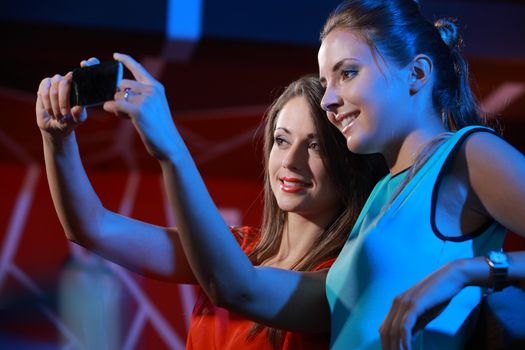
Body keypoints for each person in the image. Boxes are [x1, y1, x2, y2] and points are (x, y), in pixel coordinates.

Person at [36, 59, 386, 349]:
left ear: (350, 164)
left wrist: (171, 149)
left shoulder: (344, 279)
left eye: (316, 146)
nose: (291, 161)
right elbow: (92, 227)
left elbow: (235, 287)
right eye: (281, 140)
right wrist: (57, 137)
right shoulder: (237, 248)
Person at [316, 0, 525, 349]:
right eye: (325, 83)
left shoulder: (468, 153)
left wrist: (467, 271)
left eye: (347, 73)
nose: (327, 100)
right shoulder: (382, 190)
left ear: (417, 73)